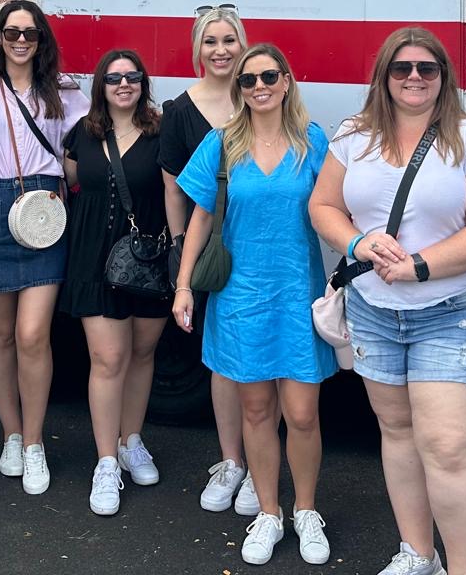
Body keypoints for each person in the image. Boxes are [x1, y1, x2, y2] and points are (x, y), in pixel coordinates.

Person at [309, 27, 466, 575]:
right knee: (397, 433)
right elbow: (323, 205)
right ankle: (418, 554)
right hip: (373, 310)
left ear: (443, 77)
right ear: (385, 76)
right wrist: (358, 243)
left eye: (427, 68)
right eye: (402, 68)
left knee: (446, 447)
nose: (415, 77)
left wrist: (420, 265)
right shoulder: (354, 135)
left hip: (452, 311)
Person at [172, 43, 334, 567]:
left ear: (286, 81)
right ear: (239, 89)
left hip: (297, 295)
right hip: (240, 299)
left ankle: (306, 510)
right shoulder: (221, 144)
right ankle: (268, 512)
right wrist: (182, 286)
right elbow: (200, 216)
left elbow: (339, 206)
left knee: (302, 414)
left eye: (268, 76)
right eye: (248, 80)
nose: (259, 86)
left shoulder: (313, 141)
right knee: (257, 410)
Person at [0, 0, 89, 496]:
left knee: (32, 334)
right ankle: (10, 434)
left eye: (29, 33)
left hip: (45, 208)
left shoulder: (63, 89)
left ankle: (34, 443)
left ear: (41, 40)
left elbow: (93, 136)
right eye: (12, 32)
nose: (20, 40)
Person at [158, 4, 262, 514]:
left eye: (228, 40)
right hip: (212, 252)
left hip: (261, 247)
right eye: (210, 41)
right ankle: (231, 461)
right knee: (222, 361)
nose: (220, 51)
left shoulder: (261, 95)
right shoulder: (179, 110)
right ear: (197, 49)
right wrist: (183, 248)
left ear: (243, 44)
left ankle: (260, 466)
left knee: (259, 361)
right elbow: (173, 188)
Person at [60, 49, 171, 516]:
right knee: (108, 360)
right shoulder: (81, 134)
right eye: (113, 78)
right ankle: (106, 461)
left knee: (142, 355)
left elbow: (177, 192)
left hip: (148, 261)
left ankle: (131, 441)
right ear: (100, 86)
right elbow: (71, 181)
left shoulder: (162, 132)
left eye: (132, 76)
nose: (123, 84)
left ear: (143, 83)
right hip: (92, 259)